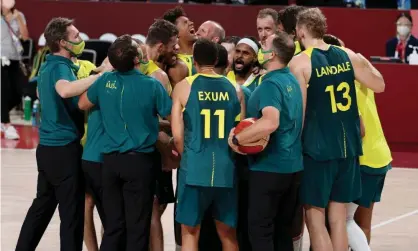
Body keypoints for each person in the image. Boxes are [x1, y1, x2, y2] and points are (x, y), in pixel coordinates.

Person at [288, 8, 385, 251]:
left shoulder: (299, 62)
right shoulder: (348, 55)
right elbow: (379, 85)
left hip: (318, 150)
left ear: (300, 31)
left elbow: (298, 114)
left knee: (315, 219)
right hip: (349, 148)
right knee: (339, 220)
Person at [15, 17, 104, 251]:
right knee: (71, 214)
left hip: (47, 150)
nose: (80, 39)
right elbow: (64, 90)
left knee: (42, 208)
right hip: (64, 150)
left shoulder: (49, 65)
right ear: (63, 43)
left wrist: (101, 70)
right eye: (75, 37)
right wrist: (98, 78)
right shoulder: (59, 67)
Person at [78, 35, 172, 251]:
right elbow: (170, 113)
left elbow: (83, 103)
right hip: (140, 162)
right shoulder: (152, 85)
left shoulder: (103, 81)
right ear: (138, 59)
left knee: (113, 226)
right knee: (137, 227)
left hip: (110, 163)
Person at [229, 32, 303, 251]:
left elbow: (271, 121)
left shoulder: (270, 85)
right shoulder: (292, 79)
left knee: (260, 232)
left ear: (272, 55)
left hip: (269, 169)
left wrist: (237, 138)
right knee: (282, 232)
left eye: (265, 45)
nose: (261, 47)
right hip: (293, 168)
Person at [171, 38, 242, 251]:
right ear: (218, 59)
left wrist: (188, 157)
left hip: (193, 167)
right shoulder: (234, 88)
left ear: (194, 60)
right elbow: (241, 134)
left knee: (190, 232)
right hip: (225, 167)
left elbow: (177, 135)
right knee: (228, 234)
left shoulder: (184, 86)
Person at [325, 33, 392, 251]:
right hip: (380, 155)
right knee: (361, 221)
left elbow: (359, 129)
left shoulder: (340, 83)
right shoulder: (361, 73)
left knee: (343, 220)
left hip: (362, 158)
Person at [138, 19, 180, 251]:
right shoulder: (158, 76)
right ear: (161, 46)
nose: (177, 49)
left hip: (131, 150)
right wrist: (176, 124)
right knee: (154, 209)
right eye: (174, 44)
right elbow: (156, 119)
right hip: (154, 150)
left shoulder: (133, 66)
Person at [163, 6, 198, 85]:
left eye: (189, 21)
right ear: (175, 32)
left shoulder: (202, 55)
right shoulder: (176, 67)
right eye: (185, 22)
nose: (191, 23)